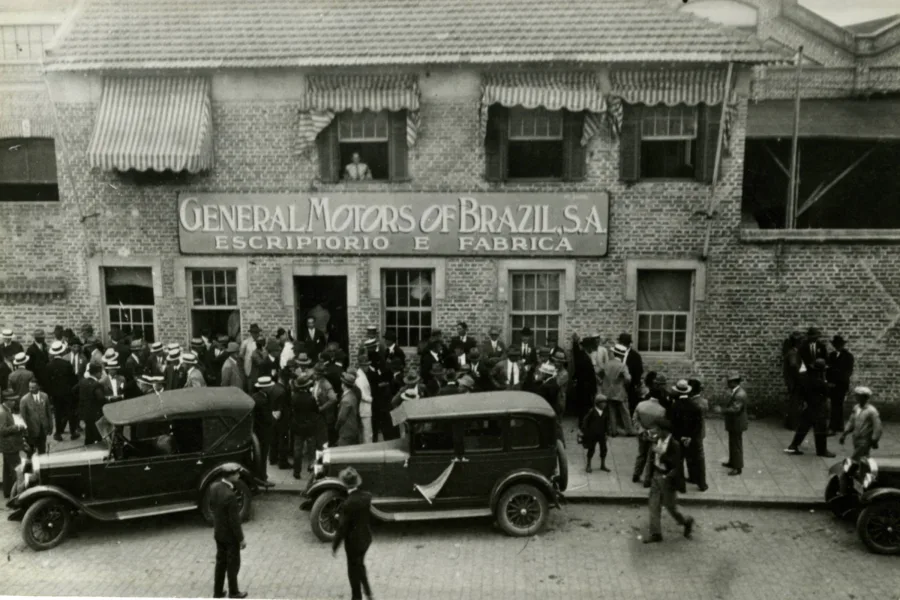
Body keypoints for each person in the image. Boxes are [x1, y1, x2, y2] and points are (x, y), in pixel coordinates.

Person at [643, 419, 694, 544]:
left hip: (667, 478)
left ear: (664, 431)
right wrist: (648, 476)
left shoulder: (674, 445)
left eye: (658, 430)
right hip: (656, 475)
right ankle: (656, 533)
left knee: (671, 507)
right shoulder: (656, 440)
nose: (655, 432)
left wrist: (661, 453)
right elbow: (651, 457)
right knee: (653, 505)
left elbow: (676, 465)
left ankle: (686, 521)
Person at [332, 467, 374, 600]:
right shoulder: (366, 497)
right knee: (360, 564)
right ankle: (367, 591)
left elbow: (342, 528)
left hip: (353, 543)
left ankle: (357, 597)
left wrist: (335, 545)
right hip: (365, 538)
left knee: (352, 571)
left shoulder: (347, 504)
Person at [210, 465, 248, 599]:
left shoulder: (214, 487)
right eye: (236, 474)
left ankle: (218, 591)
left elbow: (212, 507)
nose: (238, 476)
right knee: (233, 564)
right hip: (230, 537)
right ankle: (234, 591)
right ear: (230, 476)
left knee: (220, 563)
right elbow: (235, 522)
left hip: (218, 533)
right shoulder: (230, 496)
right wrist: (241, 539)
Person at [785, 359, 836, 458]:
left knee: (803, 427)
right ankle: (821, 450)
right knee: (821, 430)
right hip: (819, 408)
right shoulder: (821, 382)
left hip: (809, 407)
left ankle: (793, 445)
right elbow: (827, 393)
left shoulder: (807, 380)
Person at [631, 375, 667, 486]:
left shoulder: (641, 405)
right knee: (651, 457)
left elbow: (634, 419)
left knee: (641, 454)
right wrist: (651, 432)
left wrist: (642, 430)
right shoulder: (662, 410)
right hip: (654, 435)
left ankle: (636, 475)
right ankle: (647, 479)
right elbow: (661, 425)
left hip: (642, 434)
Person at [46, 340, 79, 441]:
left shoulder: (49, 365)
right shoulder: (67, 364)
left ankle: (58, 433)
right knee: (70, 411)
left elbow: (47, 382)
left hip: (56, 393)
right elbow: (73, 379)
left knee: (58, 413)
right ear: (62, 352)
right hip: (68, 392)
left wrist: (51, 393)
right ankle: (73, 432)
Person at [290, 374, 320, 479]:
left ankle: (296, 472)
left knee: (297, 450)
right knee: (311, 450)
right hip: (309, 427)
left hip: (298, 427)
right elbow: (316, 411)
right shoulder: (310, 398)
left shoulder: (294, 397)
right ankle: (311, 470)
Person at [840, 387, 882, 460]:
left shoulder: (872, 411)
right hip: (856, 438)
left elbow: (877, 427)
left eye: (858, 396)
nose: (856, 397)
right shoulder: (856, 408)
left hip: (864, 440)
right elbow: (851, 421)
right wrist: (844, 433)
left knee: (855, 459)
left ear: (864, 397)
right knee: (863, 459)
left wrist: (874, 440)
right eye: (856, 395)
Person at [601, 344, 634, 436]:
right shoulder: (622, 366)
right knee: (625, 412)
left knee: (611, 411)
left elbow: (601, 373)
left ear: (614, 353)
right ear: (622, 355)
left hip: (608, 391)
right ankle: (629, 430)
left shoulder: (607, 364)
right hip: (620, 391)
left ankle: (613, 431)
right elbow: (628, 379)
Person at [721, 372, 749, 475]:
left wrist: (722, 410)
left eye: (729, 382)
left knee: (736, 445)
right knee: (732, 443)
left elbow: (735, 409)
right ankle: (732, 462)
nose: (727, 384)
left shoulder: (740, 395)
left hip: (737, 423)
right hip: (734, 423)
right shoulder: (736, 391)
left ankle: (737, 467)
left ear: (734, 382)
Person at [1, 389, 26, 498]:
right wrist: (17, 427)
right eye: (13, 400)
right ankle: (18, 495)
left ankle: (7, 491)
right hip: (9, 446)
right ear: (7, 401)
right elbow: (1, 430)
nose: (15, 402)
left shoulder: (5, 409)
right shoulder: (2, 413)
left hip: (7, 446)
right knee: (18, 469)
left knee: (7, 470)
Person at [826, 335, 854, 436]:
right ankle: (839, 426)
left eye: (839, 345)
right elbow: (828, 370)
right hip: (832, 384)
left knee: (836, 406)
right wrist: (829, 381)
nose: (838, 347)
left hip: (841, 384)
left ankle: (832, 428)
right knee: (836, 405)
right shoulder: (832, 355)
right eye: (836, 345)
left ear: (842, 345)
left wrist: (836, 380)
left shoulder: (848, 356)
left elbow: (848, 372)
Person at [685, 379, 709, 492]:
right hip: (699, 433)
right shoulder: (704, 402)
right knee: (698, 457)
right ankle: (700, 481)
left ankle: (694, 478)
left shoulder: (691, 403)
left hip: (691, 432)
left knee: (691, 456)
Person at [251, 376, 277, 483]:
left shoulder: (256, 396)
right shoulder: (263, 400)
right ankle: (262, 477)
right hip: (263, 431)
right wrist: (274, 419)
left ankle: (259, 475)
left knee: (260, 455)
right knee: (262, 455)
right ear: (265, 388)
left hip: (258, 430)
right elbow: (267, 418)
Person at [76, 363, 107, 445]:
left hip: (86, 414)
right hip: (96, 414)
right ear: (96, 373)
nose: (101, 374)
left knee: (89, 436)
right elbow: (101, 399)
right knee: (98, 436)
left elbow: (74, 391)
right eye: (100, 372)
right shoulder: (97, 385)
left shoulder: (82, 382)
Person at [19, 379, 52, 457]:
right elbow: (22, 417)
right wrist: (24, 432)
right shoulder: (24, 400)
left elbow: (48, 412)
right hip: (31, 432)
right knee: (30, 452)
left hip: (42, 430)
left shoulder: (45, 396)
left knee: (42, 450)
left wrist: (50, 426)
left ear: (38, 387)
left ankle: (43, 466)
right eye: (29, 387)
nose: (31, 389)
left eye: (33, 387)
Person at [580, 395, 610, 473]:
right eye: (603, 403)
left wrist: (607, 433)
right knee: (591, 449)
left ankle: (602, 464)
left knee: (604, 449)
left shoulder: (605, 412)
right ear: (598, 403)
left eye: (605, 403)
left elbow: (606, 423)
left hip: (602, 434)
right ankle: (588, 465)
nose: (605, 405)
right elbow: (585, 421)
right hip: (592, 434)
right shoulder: (592, 411)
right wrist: (584, 432)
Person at [313, 361, 340, 447]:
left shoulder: (326, 384)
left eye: (316, 373)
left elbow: (333, 398)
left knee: (325, 438)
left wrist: (322, 408)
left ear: (319, 374)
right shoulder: (317, 382)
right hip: (319, 415)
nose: (314, 375)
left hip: (325, 416)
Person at [618, 333, 643, 417]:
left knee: (630, 405)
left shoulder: (635, 356)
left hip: (630, 385)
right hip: (618, 384)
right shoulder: (617, 354)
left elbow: (639, 371)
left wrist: (633, 383)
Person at [337, 371, 362, 447]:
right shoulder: (352, 396)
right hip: (353, 428)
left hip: (346, 430)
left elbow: (341, 418)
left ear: (344, 385)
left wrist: (336, 427)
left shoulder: (346, 400)